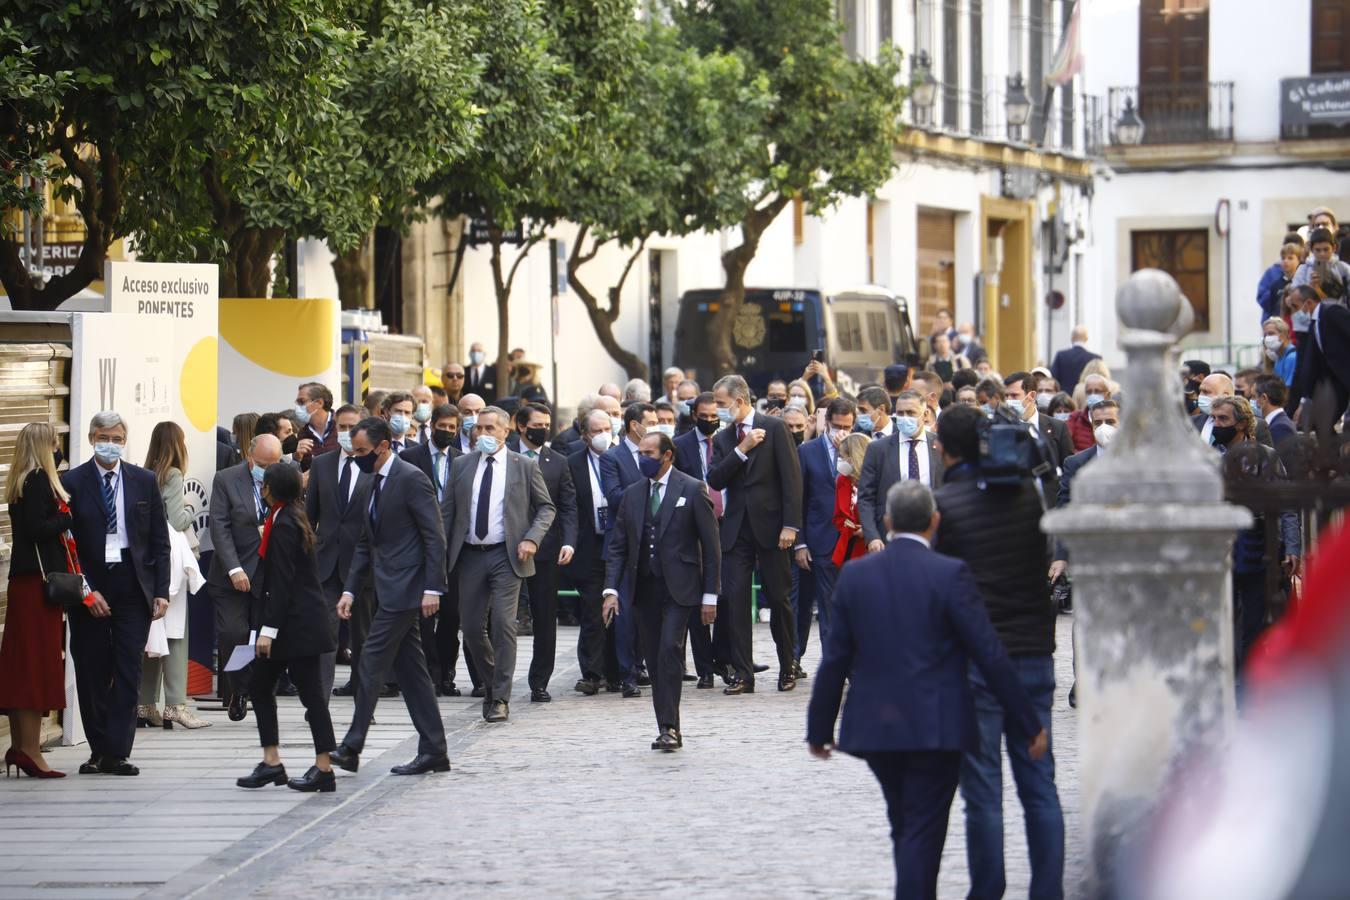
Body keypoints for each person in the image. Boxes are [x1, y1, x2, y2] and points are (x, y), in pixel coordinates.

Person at [807, 481, 1047, 900]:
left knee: (906, 824)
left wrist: (819, 728)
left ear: (886, 522)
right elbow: (988, 652)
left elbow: (835, 659)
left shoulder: (857, 574)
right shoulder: (949, 573)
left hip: (876, 725)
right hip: (935, 725)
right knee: (920, 829)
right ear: (935, 521)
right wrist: (1027, 721)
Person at [932, 405, 1064, 899]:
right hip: (1032, 652)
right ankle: (1048, 891)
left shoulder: (945, 504)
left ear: (945, 447)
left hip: (976, 662)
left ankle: (987, 891)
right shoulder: (1027, 501)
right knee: (1039, 784)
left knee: (983, 792)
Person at [330, 417, 451, 777]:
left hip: (407, 590)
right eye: (353, 451)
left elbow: (434, 536)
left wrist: (433, 588)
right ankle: (435, 750)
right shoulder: (370, 482)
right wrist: (350, 589)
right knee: (412, 674)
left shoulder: (412, 479)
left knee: (369, 661)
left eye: (363, 451)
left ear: (383, 447)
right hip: (387, 588)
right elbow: (366, 543)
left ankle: (352, 746)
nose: (357, 457)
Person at [63, 412, 171, 777]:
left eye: (117, 437)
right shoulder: (72, 482)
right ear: (92, 436)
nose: (110, 443)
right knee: (92, 669)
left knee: (128, 668)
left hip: (132, 584)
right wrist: (85, 590)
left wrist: (161, 590)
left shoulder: (143, 480)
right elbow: (67, 544)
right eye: (103, 436)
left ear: (126, 440)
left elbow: (160, 540)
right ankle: (97, 750)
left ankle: (117, 752)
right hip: (90, 586)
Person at [602, 432, 720, 751]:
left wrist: (710, 596)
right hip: (644, 589)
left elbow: (711, 547)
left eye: (649, 452)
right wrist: (611, 590)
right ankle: (666, 726)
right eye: (640, 452)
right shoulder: (633, 494)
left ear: (667, 455)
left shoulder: (692, 488)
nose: (643, 458)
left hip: (681, 588)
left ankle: (669, 726)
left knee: (670, 648)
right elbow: (618, 546)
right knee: (654, 659)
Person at [443, 407, 556, 722]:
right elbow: (447, 511)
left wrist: (532, 539)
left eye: (490, 428)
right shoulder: (462, 465)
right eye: (479, 428)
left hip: (506, 555)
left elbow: (546, 508)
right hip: (469, 555)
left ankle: (500, 699)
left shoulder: (524, 466)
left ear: (507, 431)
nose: (483, 434)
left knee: (504, 624)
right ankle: (493, 685)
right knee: (472, 628)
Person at [236, 464, 339, 793]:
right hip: (293, 625)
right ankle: (271, 762)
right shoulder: (288, 516)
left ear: (270, 489)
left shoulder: (284, 524)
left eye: (263, 484)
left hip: (296, 628)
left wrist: (268, 629)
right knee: (261, 687)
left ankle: (323, 767)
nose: (261, 488)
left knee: (311, 698)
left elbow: (282, 582)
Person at [707, 374, 803, 694]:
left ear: (739, 401)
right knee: (735, 601)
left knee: (779, 599)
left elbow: (792, 479)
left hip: (773, 528)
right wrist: (742, 448)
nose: (718, 410)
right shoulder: (724, 438)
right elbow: (716, 479)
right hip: (737, 530)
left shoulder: (774, 428)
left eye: (721, 404)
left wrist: (791, 525)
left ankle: (788, 666)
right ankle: (743, 674)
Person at [1, 424, 76, 777]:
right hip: (37, 585)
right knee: (34, 665)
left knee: (22, 664)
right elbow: (37, 528)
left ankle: (21, 747)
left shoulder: (22, 481)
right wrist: (66, 516)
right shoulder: (37, 482)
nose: (58, 448)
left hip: (25, 583)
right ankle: (30, 750)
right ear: (43, 446)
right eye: (54, 443)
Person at [1210, 397, 1301, 671]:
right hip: (1224, 555)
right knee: (1226, 623)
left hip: (1258, 551)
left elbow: (1285, 506)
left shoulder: (1265, 457)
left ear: (1241, 423)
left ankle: (1249, 682)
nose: (1216, 425)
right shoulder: (1215, 462)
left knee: (1254, 624)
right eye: (1214, 419)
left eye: (1223, 419)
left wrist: (1292, 548)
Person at [138, 422, 209, 730]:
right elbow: (178, 518)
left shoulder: (144, 474)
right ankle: (176, 706)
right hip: (172, 563)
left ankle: (145, 705)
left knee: (153, 635)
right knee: (176, 633)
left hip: (149, 562)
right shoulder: (174, 474)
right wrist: (192, 512)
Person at [208, 433, 281, 720]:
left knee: (265, 637)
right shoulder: (226, 479)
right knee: (233, 633)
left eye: (273, 463)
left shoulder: (285, 477)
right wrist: (234, 568)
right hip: (232, 574)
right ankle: (238, 689)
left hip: (268, 574)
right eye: (263, 463)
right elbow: (220, 526)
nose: (268, 468)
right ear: (250, 458)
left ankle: (260, 691)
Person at [306, 405, 374, 699]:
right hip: (326, 563)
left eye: (352, 427)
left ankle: (364, 696)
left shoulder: (377, 466)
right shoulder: (322, 464)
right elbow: (310, 517)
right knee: (325, 633)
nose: (346, 433)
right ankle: (319, 701)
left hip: (364, 564)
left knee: (364, 635)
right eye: (342, 428)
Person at [514, 403, 577, 702]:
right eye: (536, 424)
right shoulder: (506, 455)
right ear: (520, 426)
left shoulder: (558, 461)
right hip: (506, 548)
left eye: (546, 424)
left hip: (546, 549)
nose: (542, 429)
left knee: (544, 617)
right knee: (498, 619)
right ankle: (489, 679)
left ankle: (540, 681)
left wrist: (569, 541)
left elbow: (567, 506)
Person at [600, 401, 658, 695]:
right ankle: (626, 675)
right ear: (636, 425)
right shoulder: (612, 457)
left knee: (645, 609)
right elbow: (615, 496)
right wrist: (651, 488)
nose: (657, 426)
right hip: (623, 542)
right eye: (652, 421)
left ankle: (639, 663)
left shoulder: (660, 452)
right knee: (622, 610)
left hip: (653, 541)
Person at [794, 398, 857, 667]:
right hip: (821, 540)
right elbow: (799, 499)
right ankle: (834, 665)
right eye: (837, 425)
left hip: (854, 541)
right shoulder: (807, 451)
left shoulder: (862, 448)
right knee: (827, 609)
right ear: (826, 423)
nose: (841, 431)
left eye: (847, 426)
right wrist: (801, 543)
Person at [671, 393, 726, 689]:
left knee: (728, 596)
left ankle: (727, 659)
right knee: (698, 599)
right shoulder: (680, 445)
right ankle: (705, 667)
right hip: (695, 526)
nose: (709, 421)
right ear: (694, 416)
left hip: (728, 523)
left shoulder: (730, 440)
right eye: (703, 416)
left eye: (714, 415)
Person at [570, 410, 625, 695]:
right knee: (592, 610)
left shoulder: (624, 457)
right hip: (589, 545)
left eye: (607, 428)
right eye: (595, 430)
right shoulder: (573, 463)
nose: (603, 434)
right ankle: (592, 673)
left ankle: (618, 672)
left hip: (619, 543)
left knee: (620, 609)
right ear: (584, 435)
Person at [858, 389, 945, 555]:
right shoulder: (878, 449)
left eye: (911, 412)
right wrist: (872, 536)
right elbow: (866, 497)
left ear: (925, 414)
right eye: (900, 413)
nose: (905, 418)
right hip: (888, 538)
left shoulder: (940, 445)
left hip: (934, 535)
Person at [1284, 283, 1350, 426]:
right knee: (1321, 426)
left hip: (1343, 379)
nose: (1294, 313)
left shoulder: (1332, 312)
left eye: (1295, 307)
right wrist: (1305, 399)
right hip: (1336, 384)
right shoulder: (1314, 325)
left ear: (1308, 303)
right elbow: (1310, 366)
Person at [1193, 373, 1275, 447]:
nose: (1200, 396)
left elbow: (1267, 460)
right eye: (1200, 391)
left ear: (1225, 396)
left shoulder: (1258, 426)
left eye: (1206, 392)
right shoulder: (1191, 422)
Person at [831, 433, 870, 568]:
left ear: (855, 456)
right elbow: (838, 515)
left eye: (842, 457)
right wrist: (849, 528)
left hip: (872, 546)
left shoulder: (877, 479)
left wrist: (868, 529)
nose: (839, 460)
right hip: (849, 544)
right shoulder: (843, 480)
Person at [1257, 238, 1305, 325]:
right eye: (1283, 258)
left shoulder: (1303, 282)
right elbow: (1271, 308)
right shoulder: (1275, 284)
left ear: (1299, 260)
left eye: (1290, 258)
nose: (1286, 261)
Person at [292, 382, 338, 471]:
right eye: (297, 403)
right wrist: (296, 458)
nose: (297, 407)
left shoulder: (343, 426)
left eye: (301, 402)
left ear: (319, 402)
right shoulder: (301, 434)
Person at [1292, 227, 1350, 297]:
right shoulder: (1303, 270)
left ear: (1334, 248)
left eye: (1326, 249)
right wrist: (1311, 288)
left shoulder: (1343, 268)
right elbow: (1295, 294)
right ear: (1311, 249)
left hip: (1339, 306)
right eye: (1318, 250)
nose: (1322, 254)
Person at [1065, 373, 1113, 452]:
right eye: (1089, 392)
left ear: (1107, 395)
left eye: (1097, 391)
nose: (1092, 395)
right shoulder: (1075, 417)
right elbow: (1067, 447)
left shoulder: (1116, 419)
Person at [1049, 325, 1101, 395]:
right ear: (1087, 338)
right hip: (1086, 398)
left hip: (1065, 399)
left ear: (1072, 338)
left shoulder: (1061, 355)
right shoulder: (1095, 358)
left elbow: (1053, 379)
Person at [1252, 375, 1297, 449]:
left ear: (1264, 398)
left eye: (1254, 396)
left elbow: (1280, 459)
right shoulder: (1277, 423)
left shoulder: (1280, 427)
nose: (1251, 400)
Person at [1261, 317, 1298, 387]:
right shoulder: (1279, 357)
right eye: (1265, 335)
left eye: (1271, 333)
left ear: (1283, 335)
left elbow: (1288, 390)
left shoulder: (1291, 357)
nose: (1267, 338)